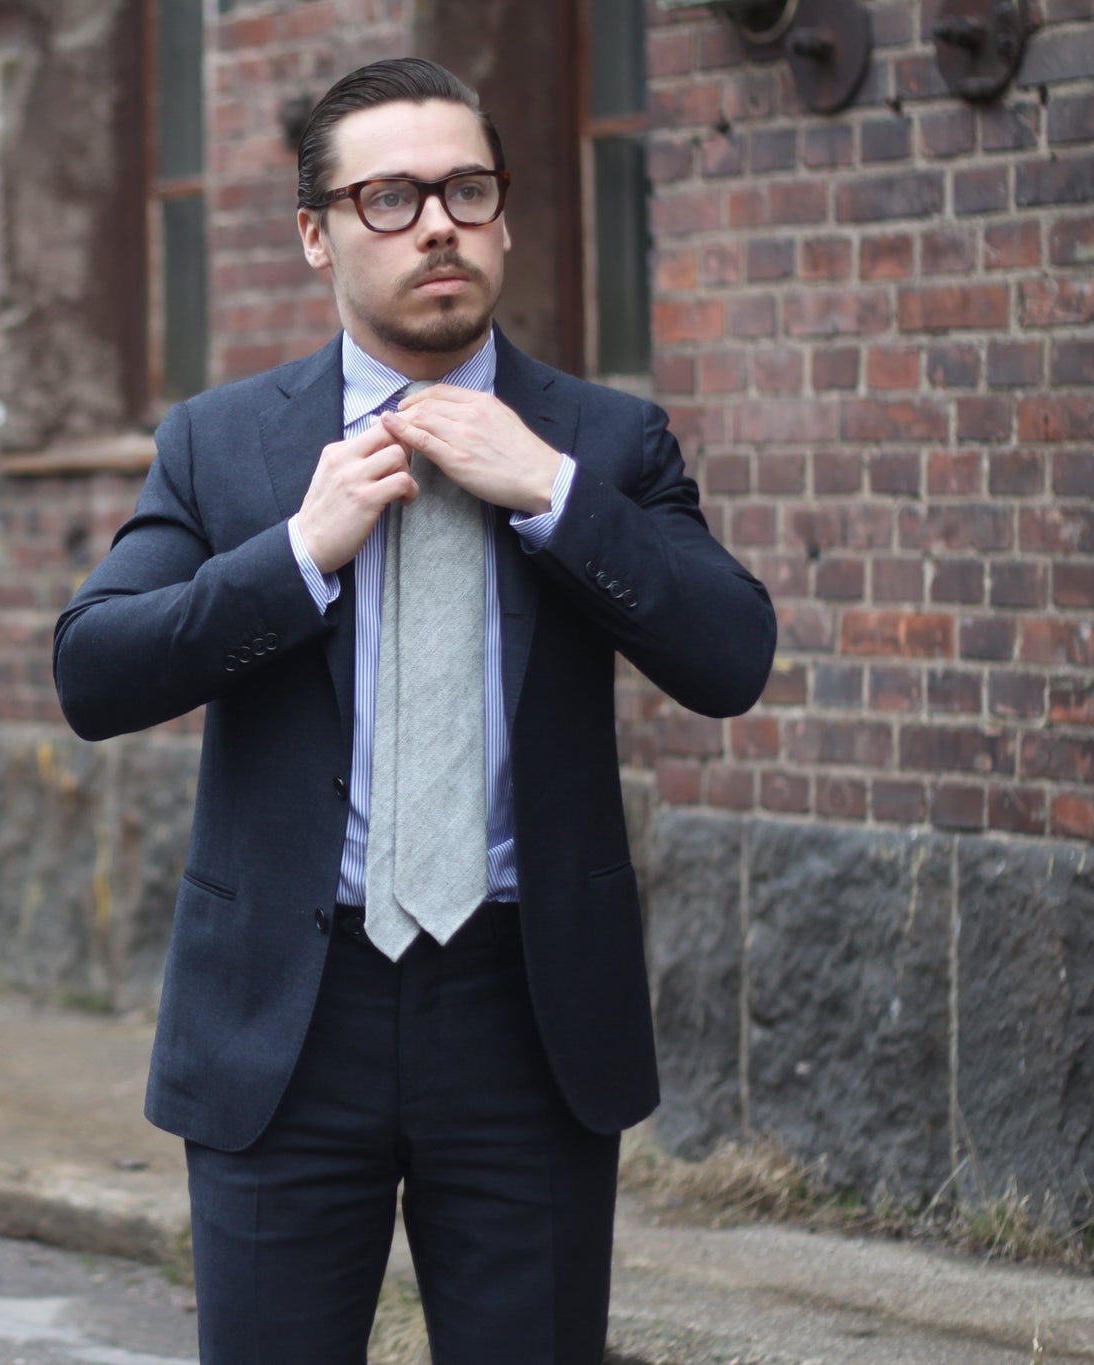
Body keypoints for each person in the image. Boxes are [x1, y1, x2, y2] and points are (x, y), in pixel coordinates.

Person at [52, 57, 776, 1365]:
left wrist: (551, 488)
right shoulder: (224, 447)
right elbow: (96, 671)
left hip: (527, 1014)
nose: (435, 222)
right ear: (315, 234)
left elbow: (730, 656)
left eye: (464, 189)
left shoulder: (604, 443)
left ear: (502, 221)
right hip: (287, 1013)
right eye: (388, 196)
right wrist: (301, 551)